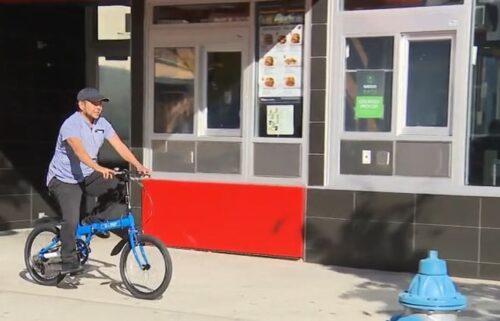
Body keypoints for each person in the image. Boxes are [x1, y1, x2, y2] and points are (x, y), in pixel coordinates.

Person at [46, 87, 151, 275]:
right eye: (94, 103)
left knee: (118, 186)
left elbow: (119, 145)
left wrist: (138, 165)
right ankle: (68, 260)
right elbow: (79, 152)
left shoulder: (102, 123)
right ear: (81, 105)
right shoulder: (71, 124)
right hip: (64, 179)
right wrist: (99, 168)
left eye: (100, 104)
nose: (98, 107)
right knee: (70, 220)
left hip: (87, 175)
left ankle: (94, 220)